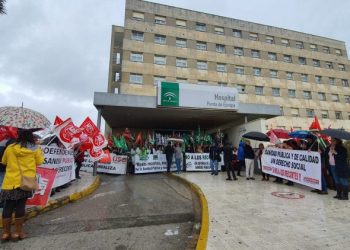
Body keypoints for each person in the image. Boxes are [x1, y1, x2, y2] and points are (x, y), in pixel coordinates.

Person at [0, 129, 44, 241]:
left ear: (18, 135)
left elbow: (4, 162)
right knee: (20, 206)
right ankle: (18, 232)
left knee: (8, 206)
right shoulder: (35, 148)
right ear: (30, 136)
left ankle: (6, 233)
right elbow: (39, 162)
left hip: (10, 182)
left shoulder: (10, 148)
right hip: (26, 182)